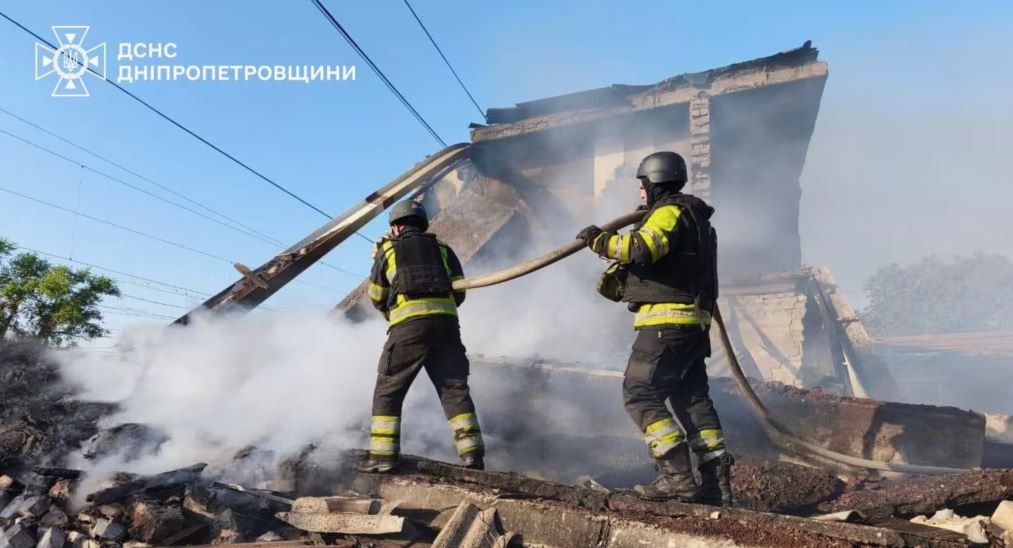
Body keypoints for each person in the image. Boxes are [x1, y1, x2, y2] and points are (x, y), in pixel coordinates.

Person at [576, 151, 733, 505]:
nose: (641, 193)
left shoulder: (669, 212)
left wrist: (599, 240)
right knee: (691, 400)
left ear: (652, 183)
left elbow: (642, 248)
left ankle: (676, 479)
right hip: (693, 327)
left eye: (642, 185)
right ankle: (715, 486)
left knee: (639, 392)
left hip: (666, 324)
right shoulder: (700, 223)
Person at [358, 200, 485, 473]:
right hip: (448, 327)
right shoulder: (443, 249)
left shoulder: (388, 250)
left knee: (388, 390)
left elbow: (376, 295)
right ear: (422, 224)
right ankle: (472, 456)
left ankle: (382, 458)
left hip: (408, 329)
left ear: (396, 227)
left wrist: (395, 314)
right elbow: (459, 291)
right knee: (454, 390)